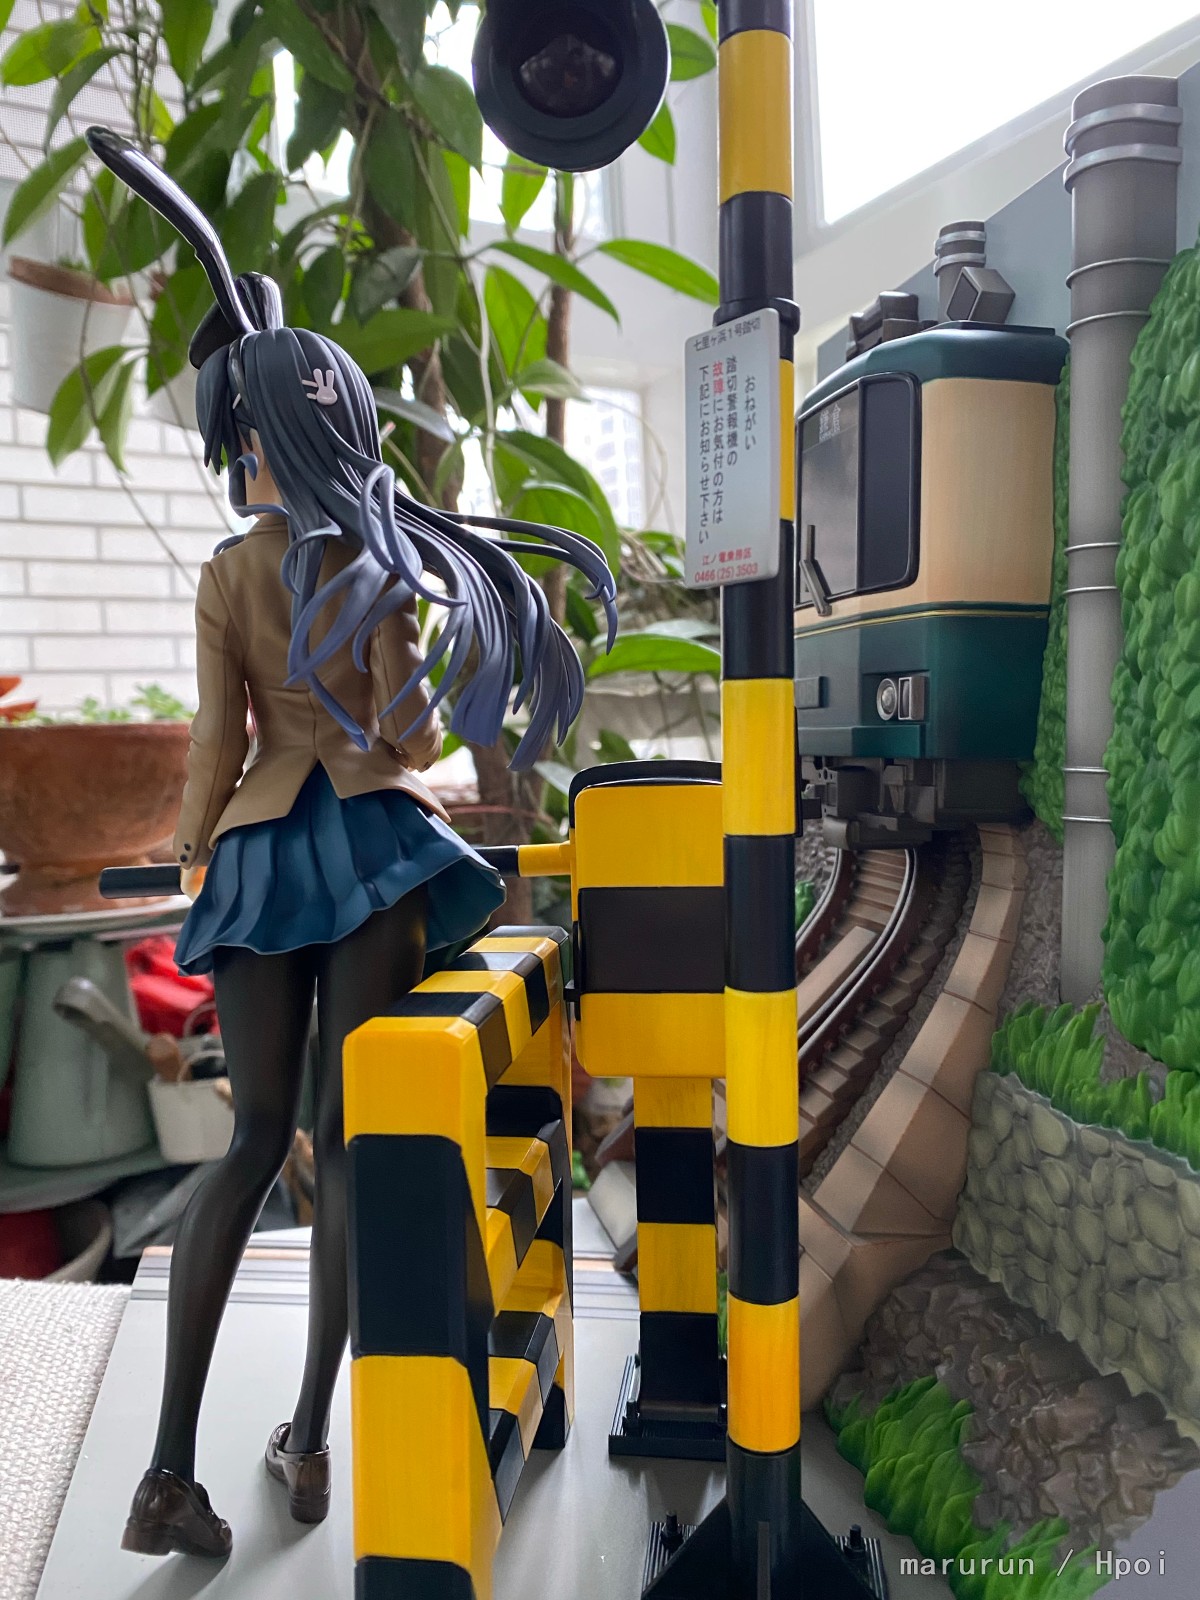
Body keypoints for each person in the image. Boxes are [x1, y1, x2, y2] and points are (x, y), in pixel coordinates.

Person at [83, 130, 616, 1561]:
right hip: (374, 850)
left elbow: (217, 741)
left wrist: (190, 850)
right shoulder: (375, 563)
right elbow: (411, 736)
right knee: (351, 1135)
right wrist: (405, 651)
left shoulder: (228, 573)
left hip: (264, 857)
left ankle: (166, 1469)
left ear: (251, 442)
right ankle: (310, 1438)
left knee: (253, 1138)